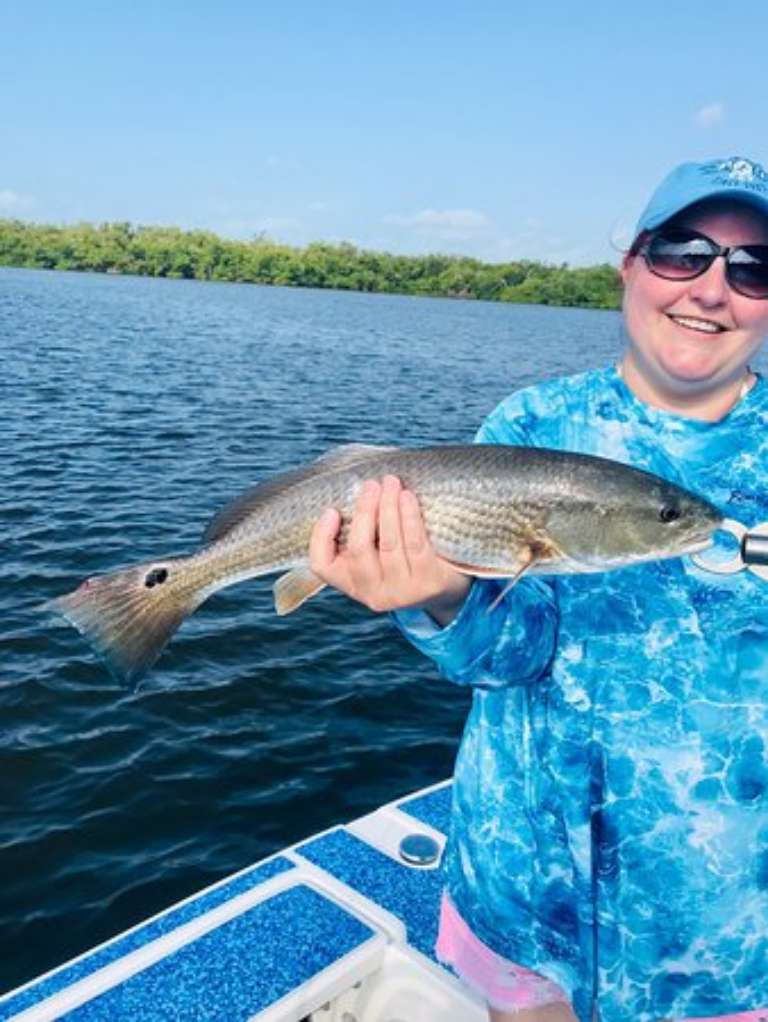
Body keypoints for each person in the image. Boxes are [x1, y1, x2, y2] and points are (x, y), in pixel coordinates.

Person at [309, 156, 768, 1022]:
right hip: (526, 884)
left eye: (756, 268)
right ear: (629, 264)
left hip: (723, 926)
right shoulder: (530, 424)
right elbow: (509, 653)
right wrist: (442, 598)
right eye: (682, 252)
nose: (713, 289)